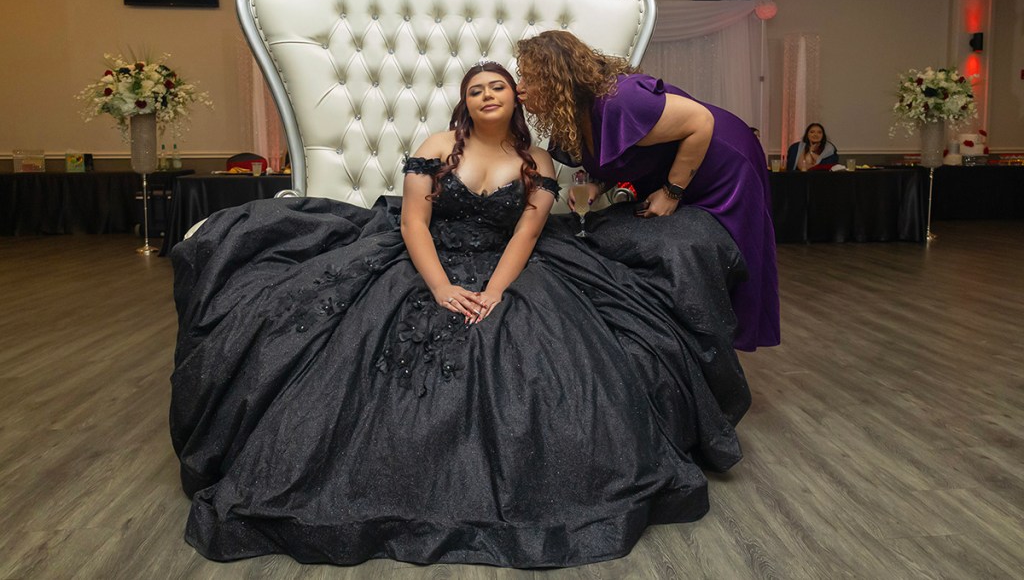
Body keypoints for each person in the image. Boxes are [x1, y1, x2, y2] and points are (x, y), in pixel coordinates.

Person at [169, 61, 751, 568]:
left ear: (516, 97)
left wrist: (494, 291)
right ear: (465, 103)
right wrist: (443, 287)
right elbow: (413, 223)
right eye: (476, 90)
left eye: (498, 86)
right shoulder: (436, 146)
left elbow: (527, 233)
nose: (487, 95)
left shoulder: (537, 160)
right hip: (429, 260)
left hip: (508, 265)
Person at [515, 30, 780, 352]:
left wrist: (672, 191)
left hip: (723, 161)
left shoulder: (620, 99)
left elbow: (700, 121)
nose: (520, 88)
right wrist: (598, 184)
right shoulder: (572, 116)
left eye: (529, 78)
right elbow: (623, 153)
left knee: (737, 253)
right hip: (683, 167)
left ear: (556, 78)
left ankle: (722, 349)